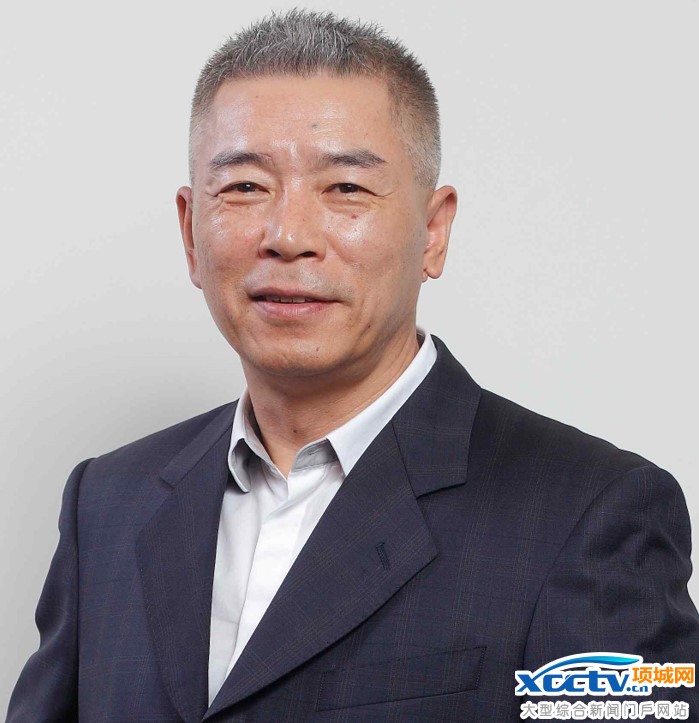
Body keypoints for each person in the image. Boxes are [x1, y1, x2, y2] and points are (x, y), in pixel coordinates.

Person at [7, 9, 698, 722]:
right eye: (244, 187)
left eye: (345, 189)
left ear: (433, 232)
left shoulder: (590, 512)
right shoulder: (108, 504)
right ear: (189, 233)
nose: (287, 235)